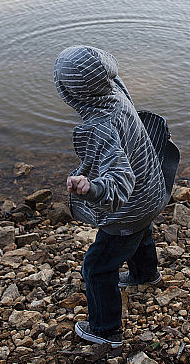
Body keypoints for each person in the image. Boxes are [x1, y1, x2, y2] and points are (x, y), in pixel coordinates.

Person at [54, 45, 178, 347]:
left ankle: (105, 330)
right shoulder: (115, 91)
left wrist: (92, 188)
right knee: (141, 233)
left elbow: (120, 182)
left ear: (70, 93)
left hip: (128, 210)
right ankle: (146, 274)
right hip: (152, 190)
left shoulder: (99, 127)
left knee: (97, 266)